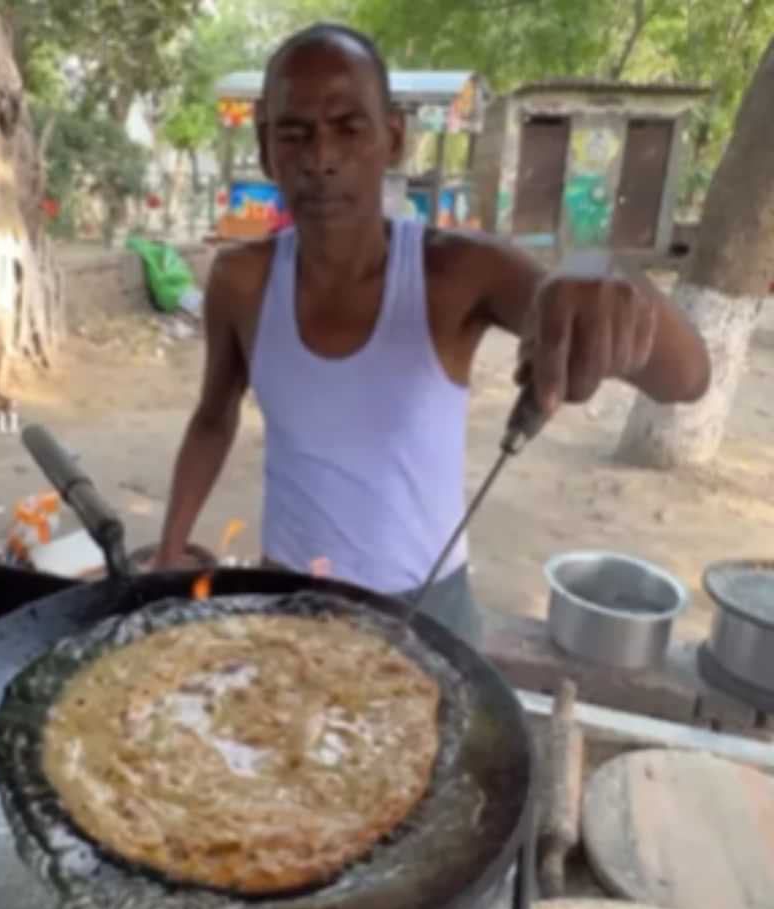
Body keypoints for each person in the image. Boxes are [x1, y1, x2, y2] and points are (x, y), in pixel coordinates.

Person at [153, 24, 711, 645]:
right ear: (266, 148)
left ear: (393, 139)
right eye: (294, 133)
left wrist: (606, 272)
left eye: (348, 127)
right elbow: (213, 417)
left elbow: (686, 378)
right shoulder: (241, 280)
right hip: (287, 597)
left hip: (427, 610)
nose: (321, 157)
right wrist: (170, 545)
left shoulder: (457, 273)